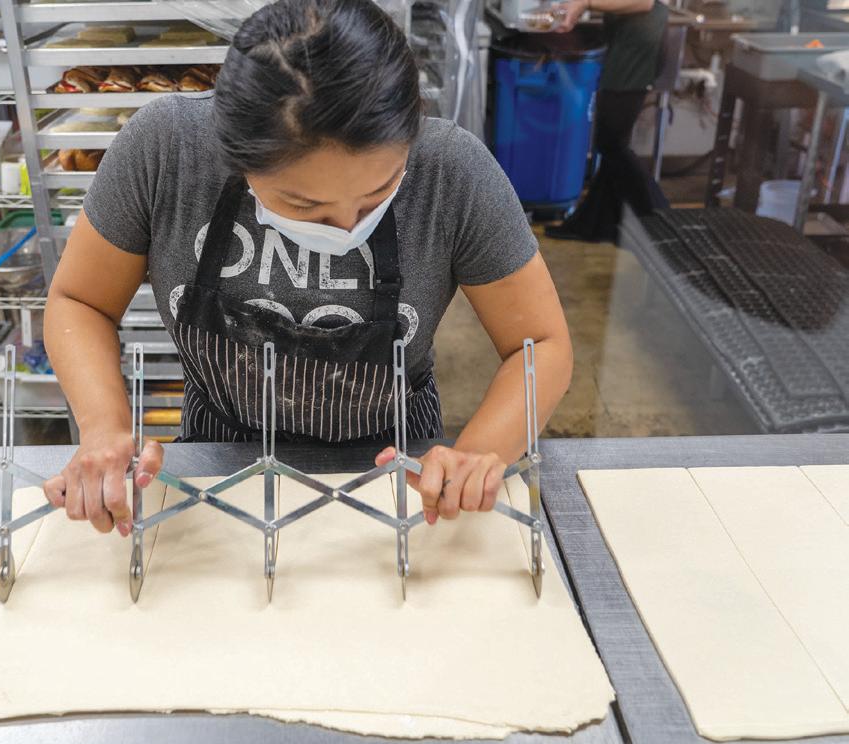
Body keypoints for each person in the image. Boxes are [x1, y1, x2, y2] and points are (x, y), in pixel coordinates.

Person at [42, 0, 573, 537]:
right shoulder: (166, 150)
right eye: (304, 204)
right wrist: (104, 427)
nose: (345, 228)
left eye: (377, 194)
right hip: (218, 457)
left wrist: (480, 452)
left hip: (398, 470)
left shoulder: (452, 173)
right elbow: (81, 302)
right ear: (234, 153)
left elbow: (540, 345)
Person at [544, 0, 670, 242]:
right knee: (609, 142)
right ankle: (592, 225)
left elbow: (643, 2)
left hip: (637, 41)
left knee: (612, 142)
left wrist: (585, 3)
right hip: (629, 38)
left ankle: (662, 222)